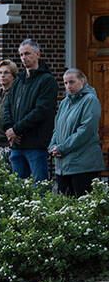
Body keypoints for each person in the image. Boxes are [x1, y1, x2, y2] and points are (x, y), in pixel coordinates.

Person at [3, 39, 59, 182]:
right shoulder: (18, 81)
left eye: (27, 53)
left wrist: (16, 129)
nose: (23, 58)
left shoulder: (47, 81)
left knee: (39, 188)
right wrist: (9, 129)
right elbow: (7, 107)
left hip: (36, 144)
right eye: (21, 55)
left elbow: (41, 111)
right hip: (16, 144)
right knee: (19, 190)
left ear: (38, 54)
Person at [49, 68, 104, 196]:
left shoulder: (90, 100)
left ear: (82, 81)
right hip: (63, 166)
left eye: (72, 82)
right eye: (65, 83)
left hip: (83, 165)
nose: (68, 86)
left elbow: (85, 131)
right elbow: (57, 128)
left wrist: (62, 148)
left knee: (82, 208)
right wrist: (52, 146)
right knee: (66, 209)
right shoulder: (64, 103)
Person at [0, 60, 18, 159]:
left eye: (6, 72)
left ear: (13, 75)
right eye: (0, 73)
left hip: (9, 143)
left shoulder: (16, 95)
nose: (2, 75)